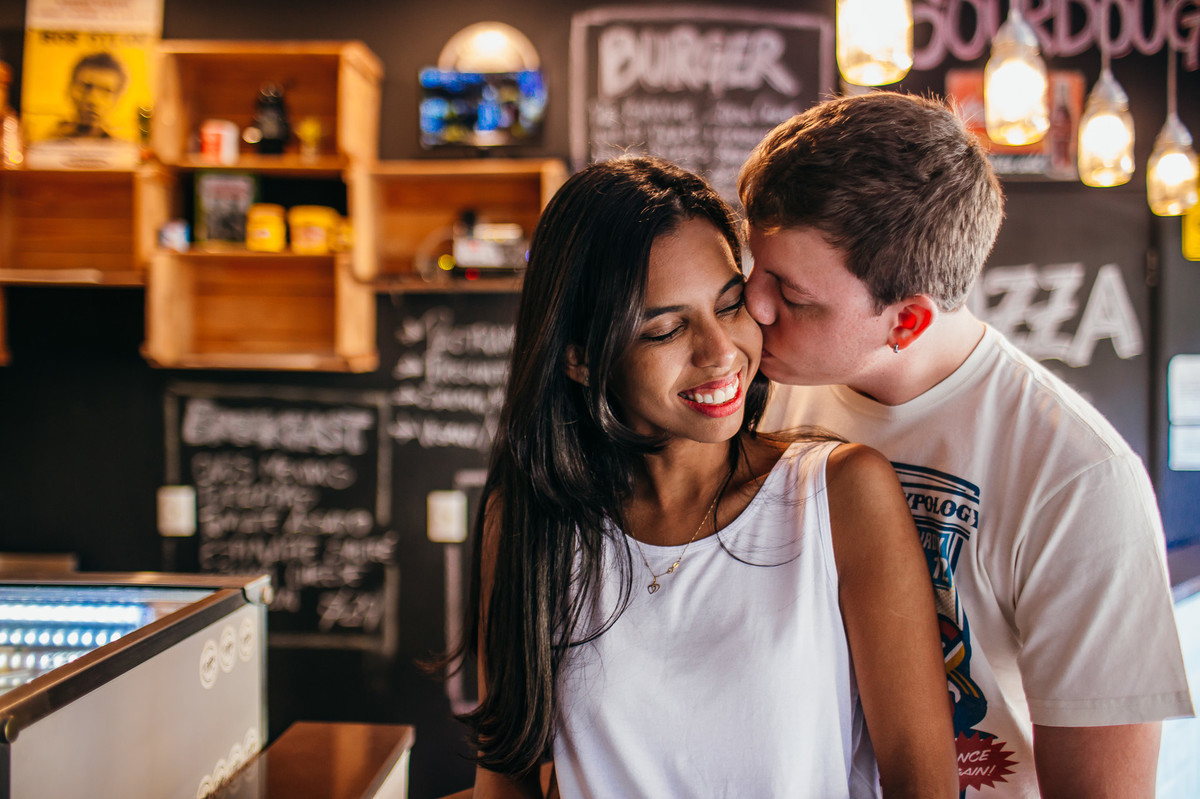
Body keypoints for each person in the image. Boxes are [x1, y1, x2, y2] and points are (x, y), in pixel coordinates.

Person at [738, 91, 1194, 797]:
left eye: (792, 295)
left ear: (909, 321)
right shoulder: (761, 381)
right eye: (753, 267)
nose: (752, 306)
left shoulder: (1078, 477)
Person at [462, 156, 957, 799]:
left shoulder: (839, 495)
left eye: (729, 306)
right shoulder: (531, 523)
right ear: (581, 359)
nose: (721, 353)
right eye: (666, 329)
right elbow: (506, 781)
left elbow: (924, 784)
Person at [52, 52, 127, 139]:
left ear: (117, 99)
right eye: (86, 87)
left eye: (106, 91)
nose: (93, 101)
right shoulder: (49, 140)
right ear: (70, 90)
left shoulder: (120, 148)